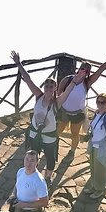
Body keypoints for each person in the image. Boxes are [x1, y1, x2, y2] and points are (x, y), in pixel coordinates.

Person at [10, 51, 87, 181]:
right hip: (35, 134)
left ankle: (47, 178)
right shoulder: (38, 96)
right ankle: (32, 175)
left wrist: (75, 80)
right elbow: (28, 79)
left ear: (55, 88)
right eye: (47, 85)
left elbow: (68, 90)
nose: (49, 87)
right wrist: (18, 64)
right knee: (33, 156)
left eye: (51, 85)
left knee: (50, 159)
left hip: (49, 137)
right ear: (44, 87)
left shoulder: (58, 101)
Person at [56, 48, 106, 153]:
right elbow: (58, 94)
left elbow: (101, 70)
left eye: (86, 69)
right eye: (82, 67)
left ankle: (72, 151)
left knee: (75, 134)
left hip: (77, 113)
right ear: (79, 69)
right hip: (63, 110)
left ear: (88, 73)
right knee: (58, 131)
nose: (84, 70)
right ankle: (54, 146)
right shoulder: (67, 79)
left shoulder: (87, 82)